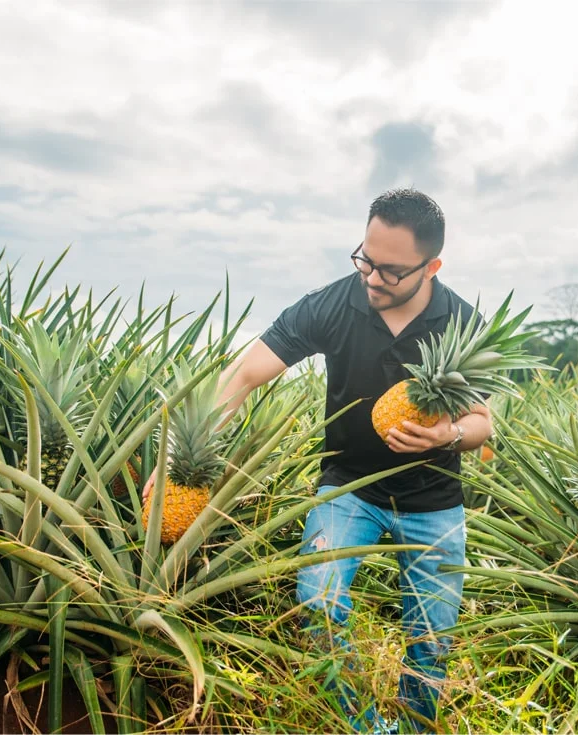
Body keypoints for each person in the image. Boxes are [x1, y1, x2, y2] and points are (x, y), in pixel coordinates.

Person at [159, 188, 493, 732]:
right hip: (347, 490)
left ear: (431, 266)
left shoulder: (462, 322)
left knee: (430, 642)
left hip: (433, 502)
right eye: (364, 258)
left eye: (390, 270)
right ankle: (358, 727)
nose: (372, 278)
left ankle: (413, 728)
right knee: (318, 607)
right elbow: (241, 378)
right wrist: (177, 457)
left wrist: (447, 434)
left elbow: (482, 423)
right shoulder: (331, 304)